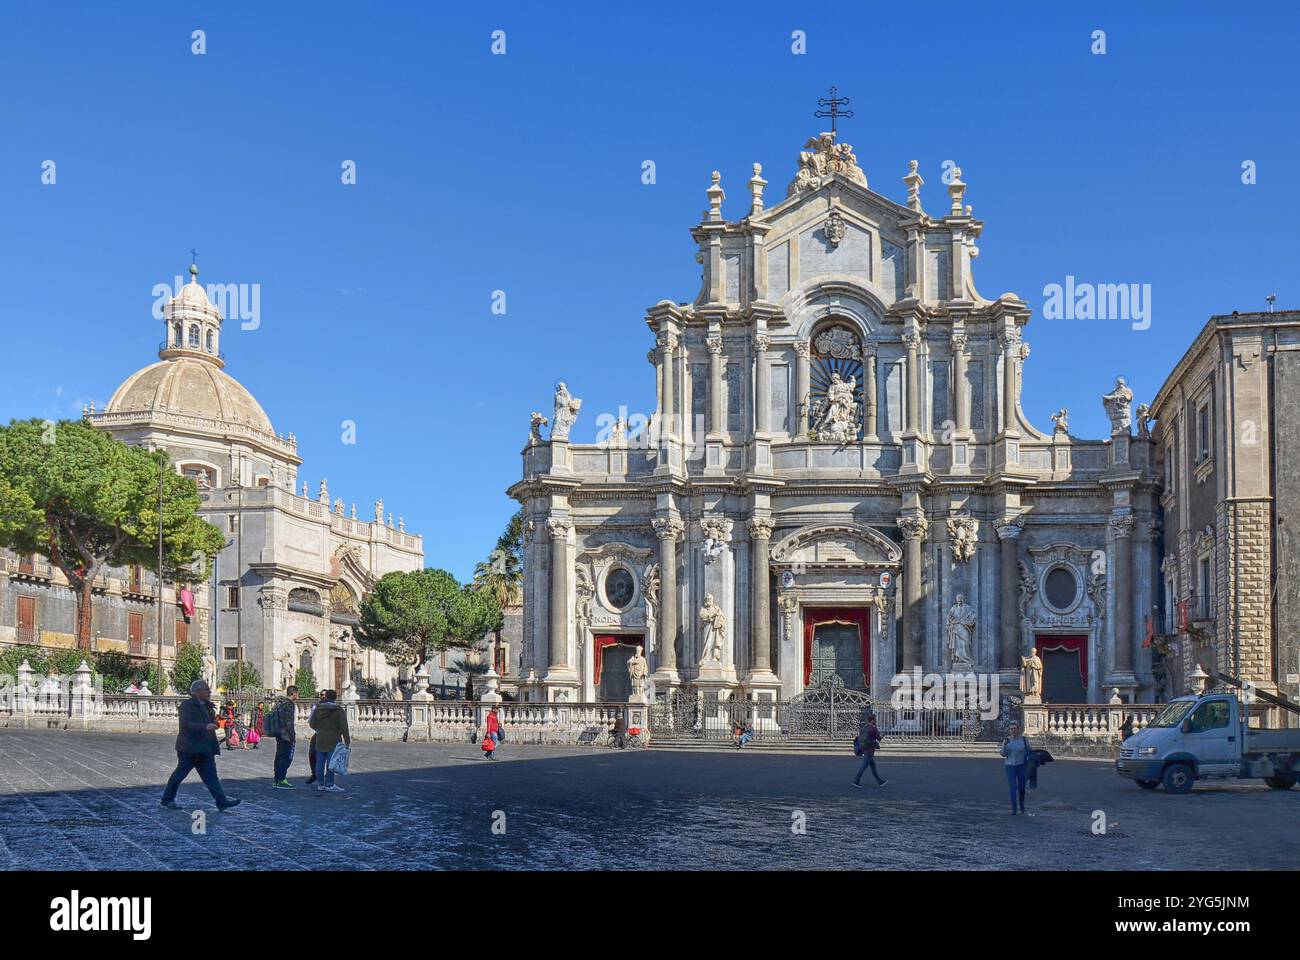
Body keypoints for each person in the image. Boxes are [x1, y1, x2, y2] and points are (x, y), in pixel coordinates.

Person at [160, 679, 241, 811]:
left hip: (205, 748)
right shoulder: (187, 705)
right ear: (197, 692)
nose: (209, 692)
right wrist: (205, 726)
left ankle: (221, 801)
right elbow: (186, 724)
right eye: (206, 690)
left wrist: (215, 721)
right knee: (179, 774)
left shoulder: (208, 706)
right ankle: (167, 798)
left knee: (211, 777)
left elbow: (209, 721)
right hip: (189, 748)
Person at [308, 689, 351, 792]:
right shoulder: (339, 710)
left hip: (320, 738)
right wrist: (347, 740)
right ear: (335, 698)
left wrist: (319, 730)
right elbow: (344, 726)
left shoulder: (318, 709)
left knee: (320, 762)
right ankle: (330, 784)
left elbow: (311, 723)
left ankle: (320, 784)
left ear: (326, 696)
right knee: (331, 762)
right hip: (334, 739)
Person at [1000, 722, 1033, 815]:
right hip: (1010, 767)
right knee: (1013, 787)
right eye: (1011, 729)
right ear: (1009, 731)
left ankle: (1021, 805)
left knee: (1021, 788)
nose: (1013, 730)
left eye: (1015, 728)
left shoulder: (1024, 740)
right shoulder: (1006, 740)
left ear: (1018, 729)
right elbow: (1003, 754)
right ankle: (1014, 809)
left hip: (1021, 766)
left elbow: (1030, 751)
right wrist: (1004, 745)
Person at [270, 686, 299, 789]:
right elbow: (289, 722)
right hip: (286, 735)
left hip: (278, 733)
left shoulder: (279, 703)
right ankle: (281, 779)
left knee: (279, 756)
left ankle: (277, 779)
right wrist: (292, 736)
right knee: (287, 757)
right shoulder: (289, 704)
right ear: (294, 694)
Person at [852, 713, 887, 787]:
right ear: (872, 720)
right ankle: (856, 780)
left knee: (873, 767)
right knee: (864, 767)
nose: (876, 721)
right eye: (875, 720)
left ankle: (880, 781)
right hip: (870, 750)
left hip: (864, 748)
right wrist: (883, 734)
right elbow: (879, 738)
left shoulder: (864, 727)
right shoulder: (873, 728)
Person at [305, 690, 327, 785]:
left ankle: (327, 777)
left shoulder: (334, 707)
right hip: (318, 733)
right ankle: (314, 774)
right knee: (312, 754)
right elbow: (311, 721)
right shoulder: (316, 707)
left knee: (329, 757)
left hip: (329, 735)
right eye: (321, 695)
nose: (322, 697)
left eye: (324, 695)